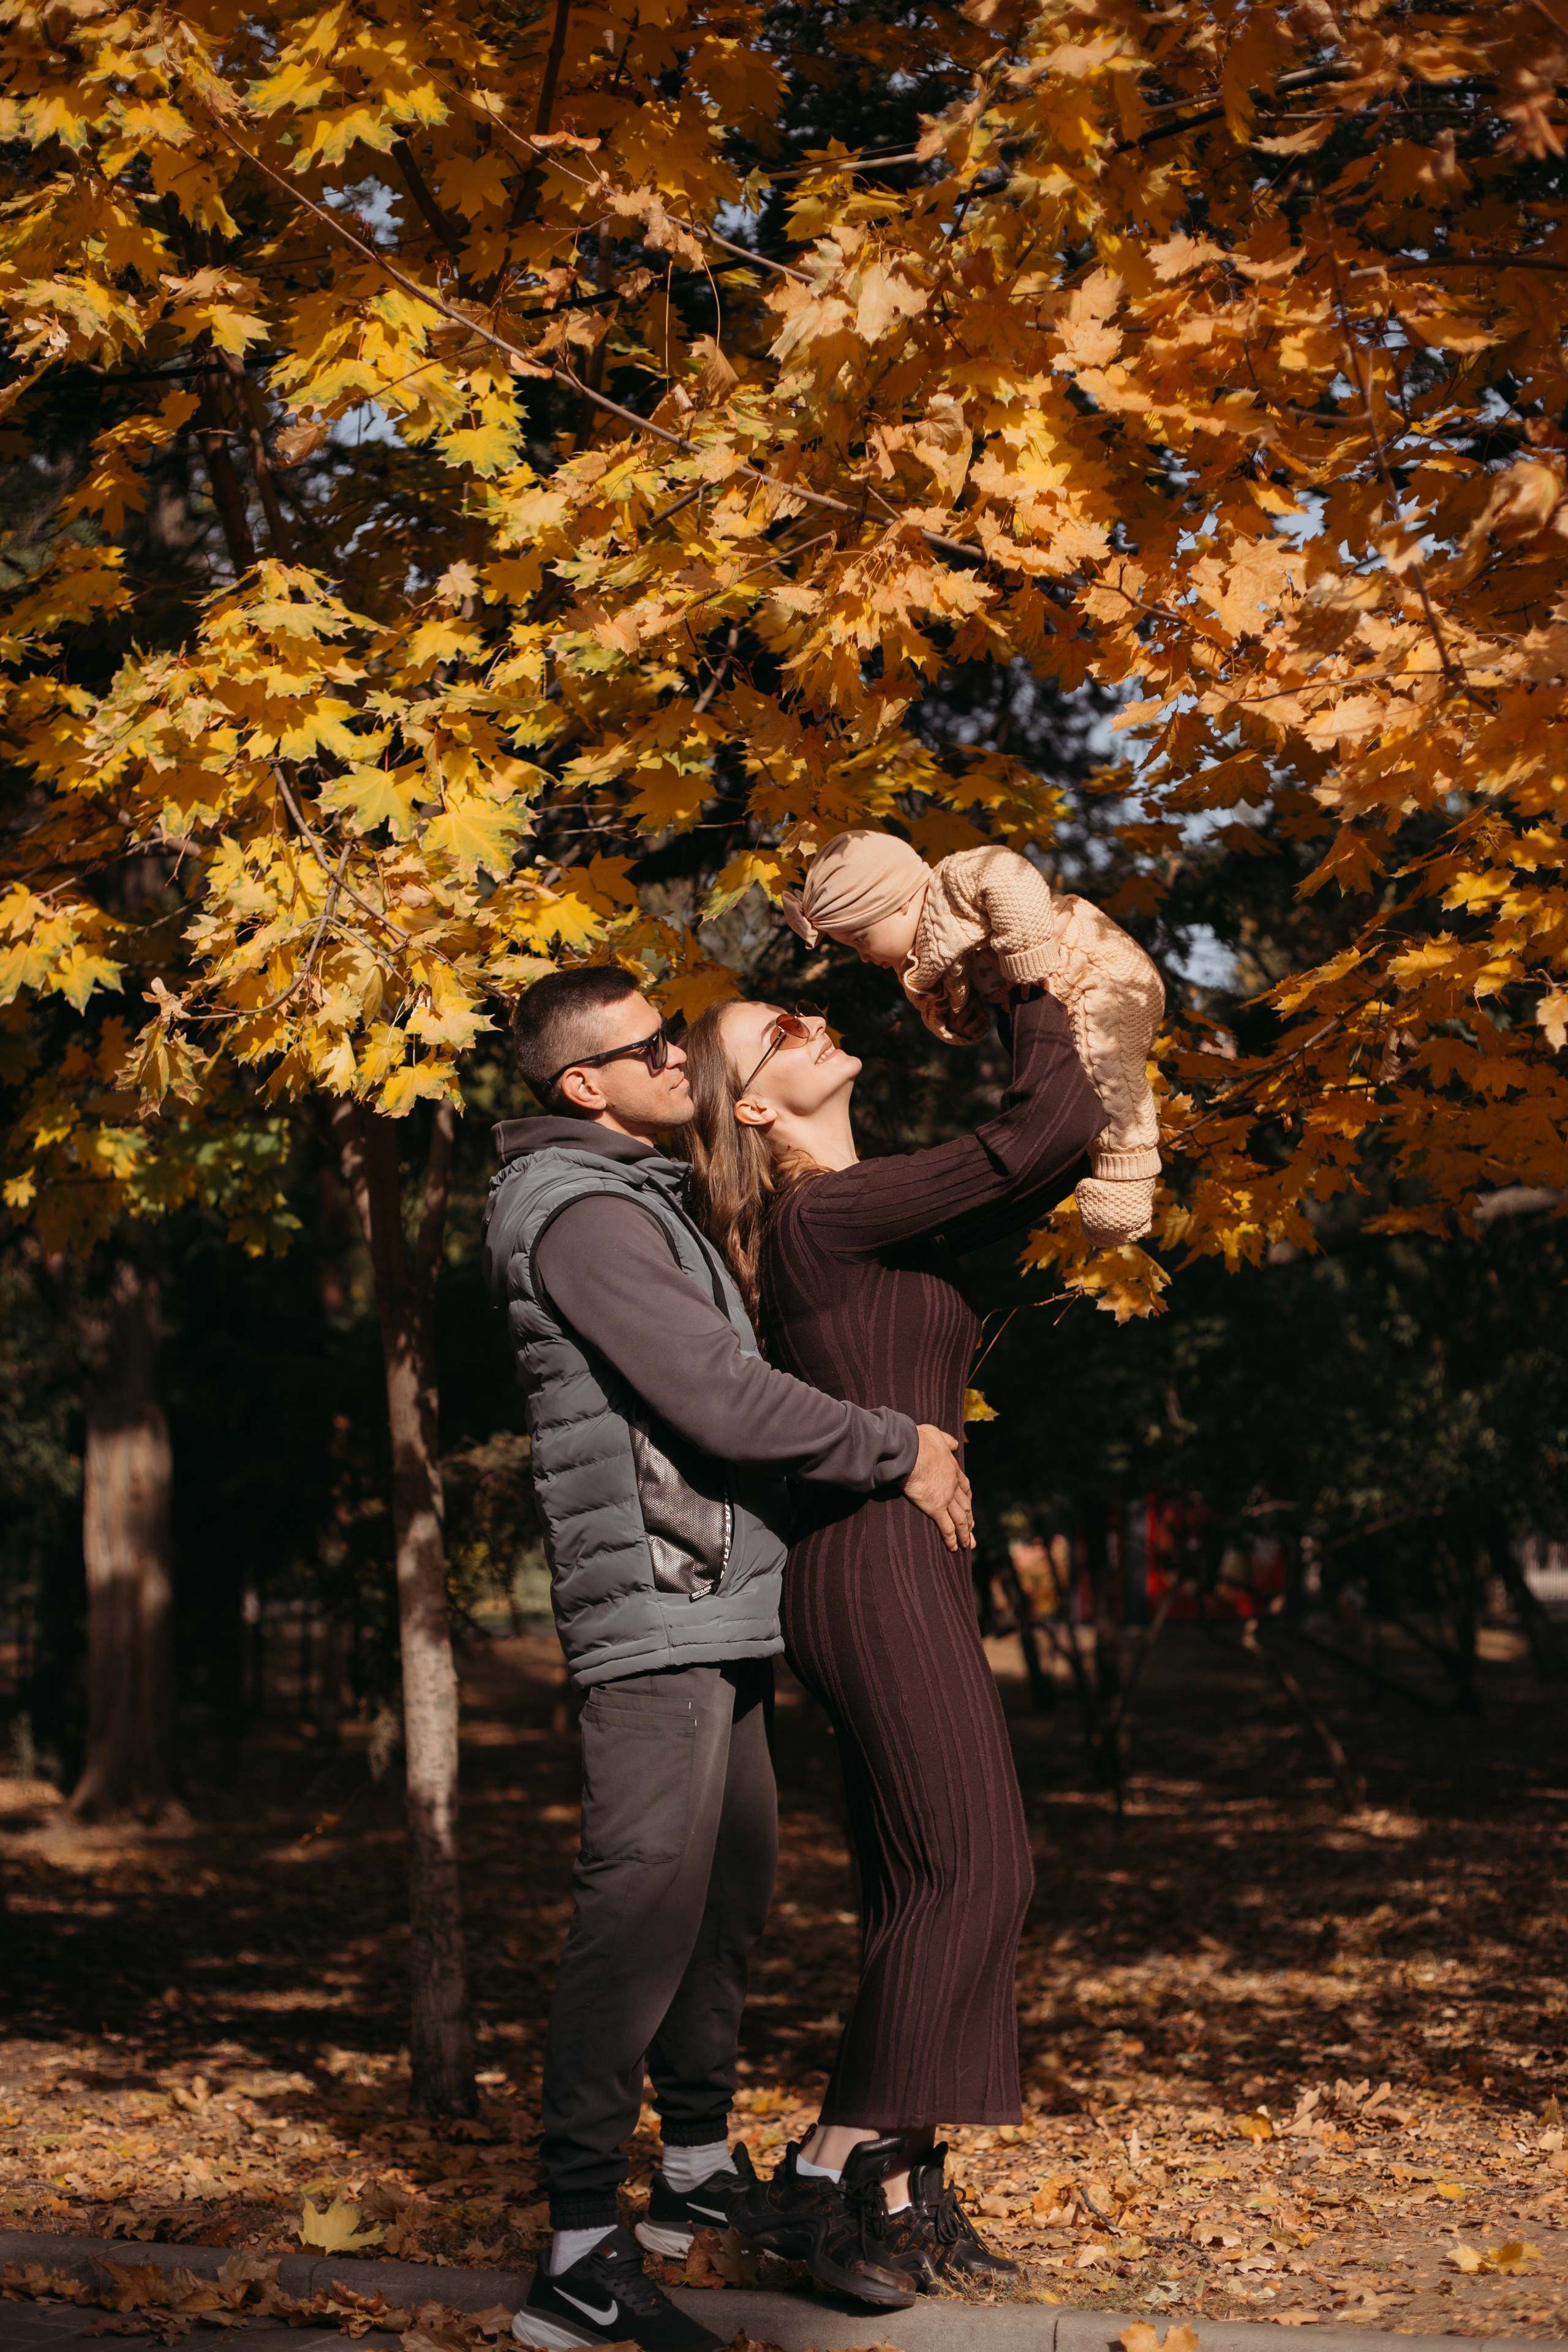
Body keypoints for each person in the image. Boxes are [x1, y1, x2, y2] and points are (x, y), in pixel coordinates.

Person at [481, 966, 975, 2352]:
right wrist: (894, 1441)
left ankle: (689, 2176)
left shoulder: (636, 1196)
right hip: (655, 1606)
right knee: (635, 1907)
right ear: (584, 1083)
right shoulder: (579, 1214)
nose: (671, 1055)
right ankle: (578, 2252)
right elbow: (713, 1392)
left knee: (726, 1893)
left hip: (713, 1600)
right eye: (648, 1045)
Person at [681, 984, 1106, 2296]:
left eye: (803, 1013)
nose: (811, 1024)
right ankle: (829, 2167)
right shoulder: (823, 1212)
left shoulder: (864, 1211)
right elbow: (1040, 1139)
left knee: (918, 1880)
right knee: (980, 1872)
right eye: (778, 1034)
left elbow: (1024, 1174)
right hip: (867, 1565)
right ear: (753, 1107)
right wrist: (1032, 981)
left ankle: (909, 2187)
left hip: (895, 1560)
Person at [783, 828, 1164, 1246]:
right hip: (1057, 997)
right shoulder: (918, 951)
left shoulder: (955, 880)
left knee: (1107, 1074)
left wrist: (1029, 956)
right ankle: (1085, 1160)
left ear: (898, 904)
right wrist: (959, 1019)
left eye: (860, 938)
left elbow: (1008, 872)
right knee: (1073, 1089)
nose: (863, 956)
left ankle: (1127, 1178)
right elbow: (935, 995)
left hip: (1102, 975)